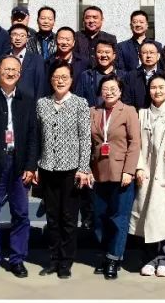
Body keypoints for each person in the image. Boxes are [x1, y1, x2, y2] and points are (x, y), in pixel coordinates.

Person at [0, 57, 39, 280]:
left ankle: (17, 259)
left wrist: (31, 165)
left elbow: (33, 136)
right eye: (6, 69)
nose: (10, 73)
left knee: (21, 214)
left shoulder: (27, 99)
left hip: (19, 164)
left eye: (14, 70)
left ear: (19, 74)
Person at [35, 62, 92, 279]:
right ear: (50, 80)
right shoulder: (42, 104)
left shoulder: (80, 103)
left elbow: (85, 138)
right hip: (47, 167)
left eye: (64, 77)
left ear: (71, 80)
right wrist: (35, 165)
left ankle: (66, 262)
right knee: (52, 217)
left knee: (68, 217)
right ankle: (53, 260)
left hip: (71, 170)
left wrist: (84, 168)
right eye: (56, 77)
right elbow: (37, 137)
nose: (60, 81)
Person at [130, 74, 165, 278]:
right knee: (148, 216)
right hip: (147, 170)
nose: (157, 91)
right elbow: (136, 144)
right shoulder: (142, 113)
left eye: (162, 87)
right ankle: (150, 259)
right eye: (153, 87)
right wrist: (139, 168)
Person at [89, 75, 141, 280]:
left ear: (120, 92)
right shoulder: (94, 111)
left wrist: (129, 170)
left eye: (113, 89)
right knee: (100, 218)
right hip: (98, 171)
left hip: (121, 173)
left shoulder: (128, 111)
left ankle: (113, 258)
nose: (109, 92)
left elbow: (135, 143)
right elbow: (88, 142)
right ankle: (105, 253)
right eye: (105, 88)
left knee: (119, 218)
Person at [121, 41, 165, 109]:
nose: (148, 56)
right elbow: (126, 102)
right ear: (139, 56)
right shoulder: (130, 77)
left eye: (152, 52)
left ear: (158, 56)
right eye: (144, 53)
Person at [4, 23, 49, 98]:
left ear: (27, 38)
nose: (18, 38)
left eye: (22, 35)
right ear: (10, 37)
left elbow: (40, 86)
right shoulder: (3, 58)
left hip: (28, 101)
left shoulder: (37, 60)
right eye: (15, 35)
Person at [76, 40, 124, 106]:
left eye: (107, 52)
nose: (103, 55)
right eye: (100, 52)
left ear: (114, 55)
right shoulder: (86, 76)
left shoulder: (123, 76)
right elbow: (79, 101)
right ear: (94, 55)